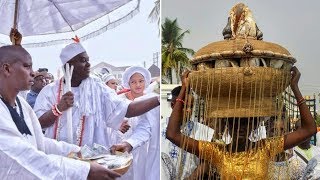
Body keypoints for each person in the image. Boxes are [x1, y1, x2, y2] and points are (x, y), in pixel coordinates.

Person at [0, 31, 120, 179]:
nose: (33, 73)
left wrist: (79, 152)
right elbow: (21, 157)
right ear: (6, 69)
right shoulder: (48, 92)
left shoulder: (21, 104)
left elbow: (38, 142)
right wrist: (84, 171)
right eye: (27, 67)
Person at [166, 67, 317, 179]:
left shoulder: (265, 147)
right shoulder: (217, 152)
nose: (241, 127)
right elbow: (172, 134)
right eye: (234, 122)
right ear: (227, 125)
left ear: (255, 124)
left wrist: (295, 88)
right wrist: (184, 89)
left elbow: (309, 129)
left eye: (246, 122)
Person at [33, 42, 160, 148]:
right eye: (83, 60)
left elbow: (127, 109)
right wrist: (58, 108)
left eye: (88, 60)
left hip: (92, 160)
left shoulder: (97, 87)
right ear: (68, 65)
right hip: (60, 159)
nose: (88, 64)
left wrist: (158, 99)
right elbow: (38, 124)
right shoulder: (49, 91)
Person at [110, 66, 160, 180]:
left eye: (141, 81)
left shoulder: (152, 100)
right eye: (133, 82)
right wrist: (118, 125)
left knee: (140, 170)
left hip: (143, 146)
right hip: (122, 140)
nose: (138, 85)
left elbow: (147, 126)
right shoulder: (120, 99)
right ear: (128, 83)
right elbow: (110, 119)